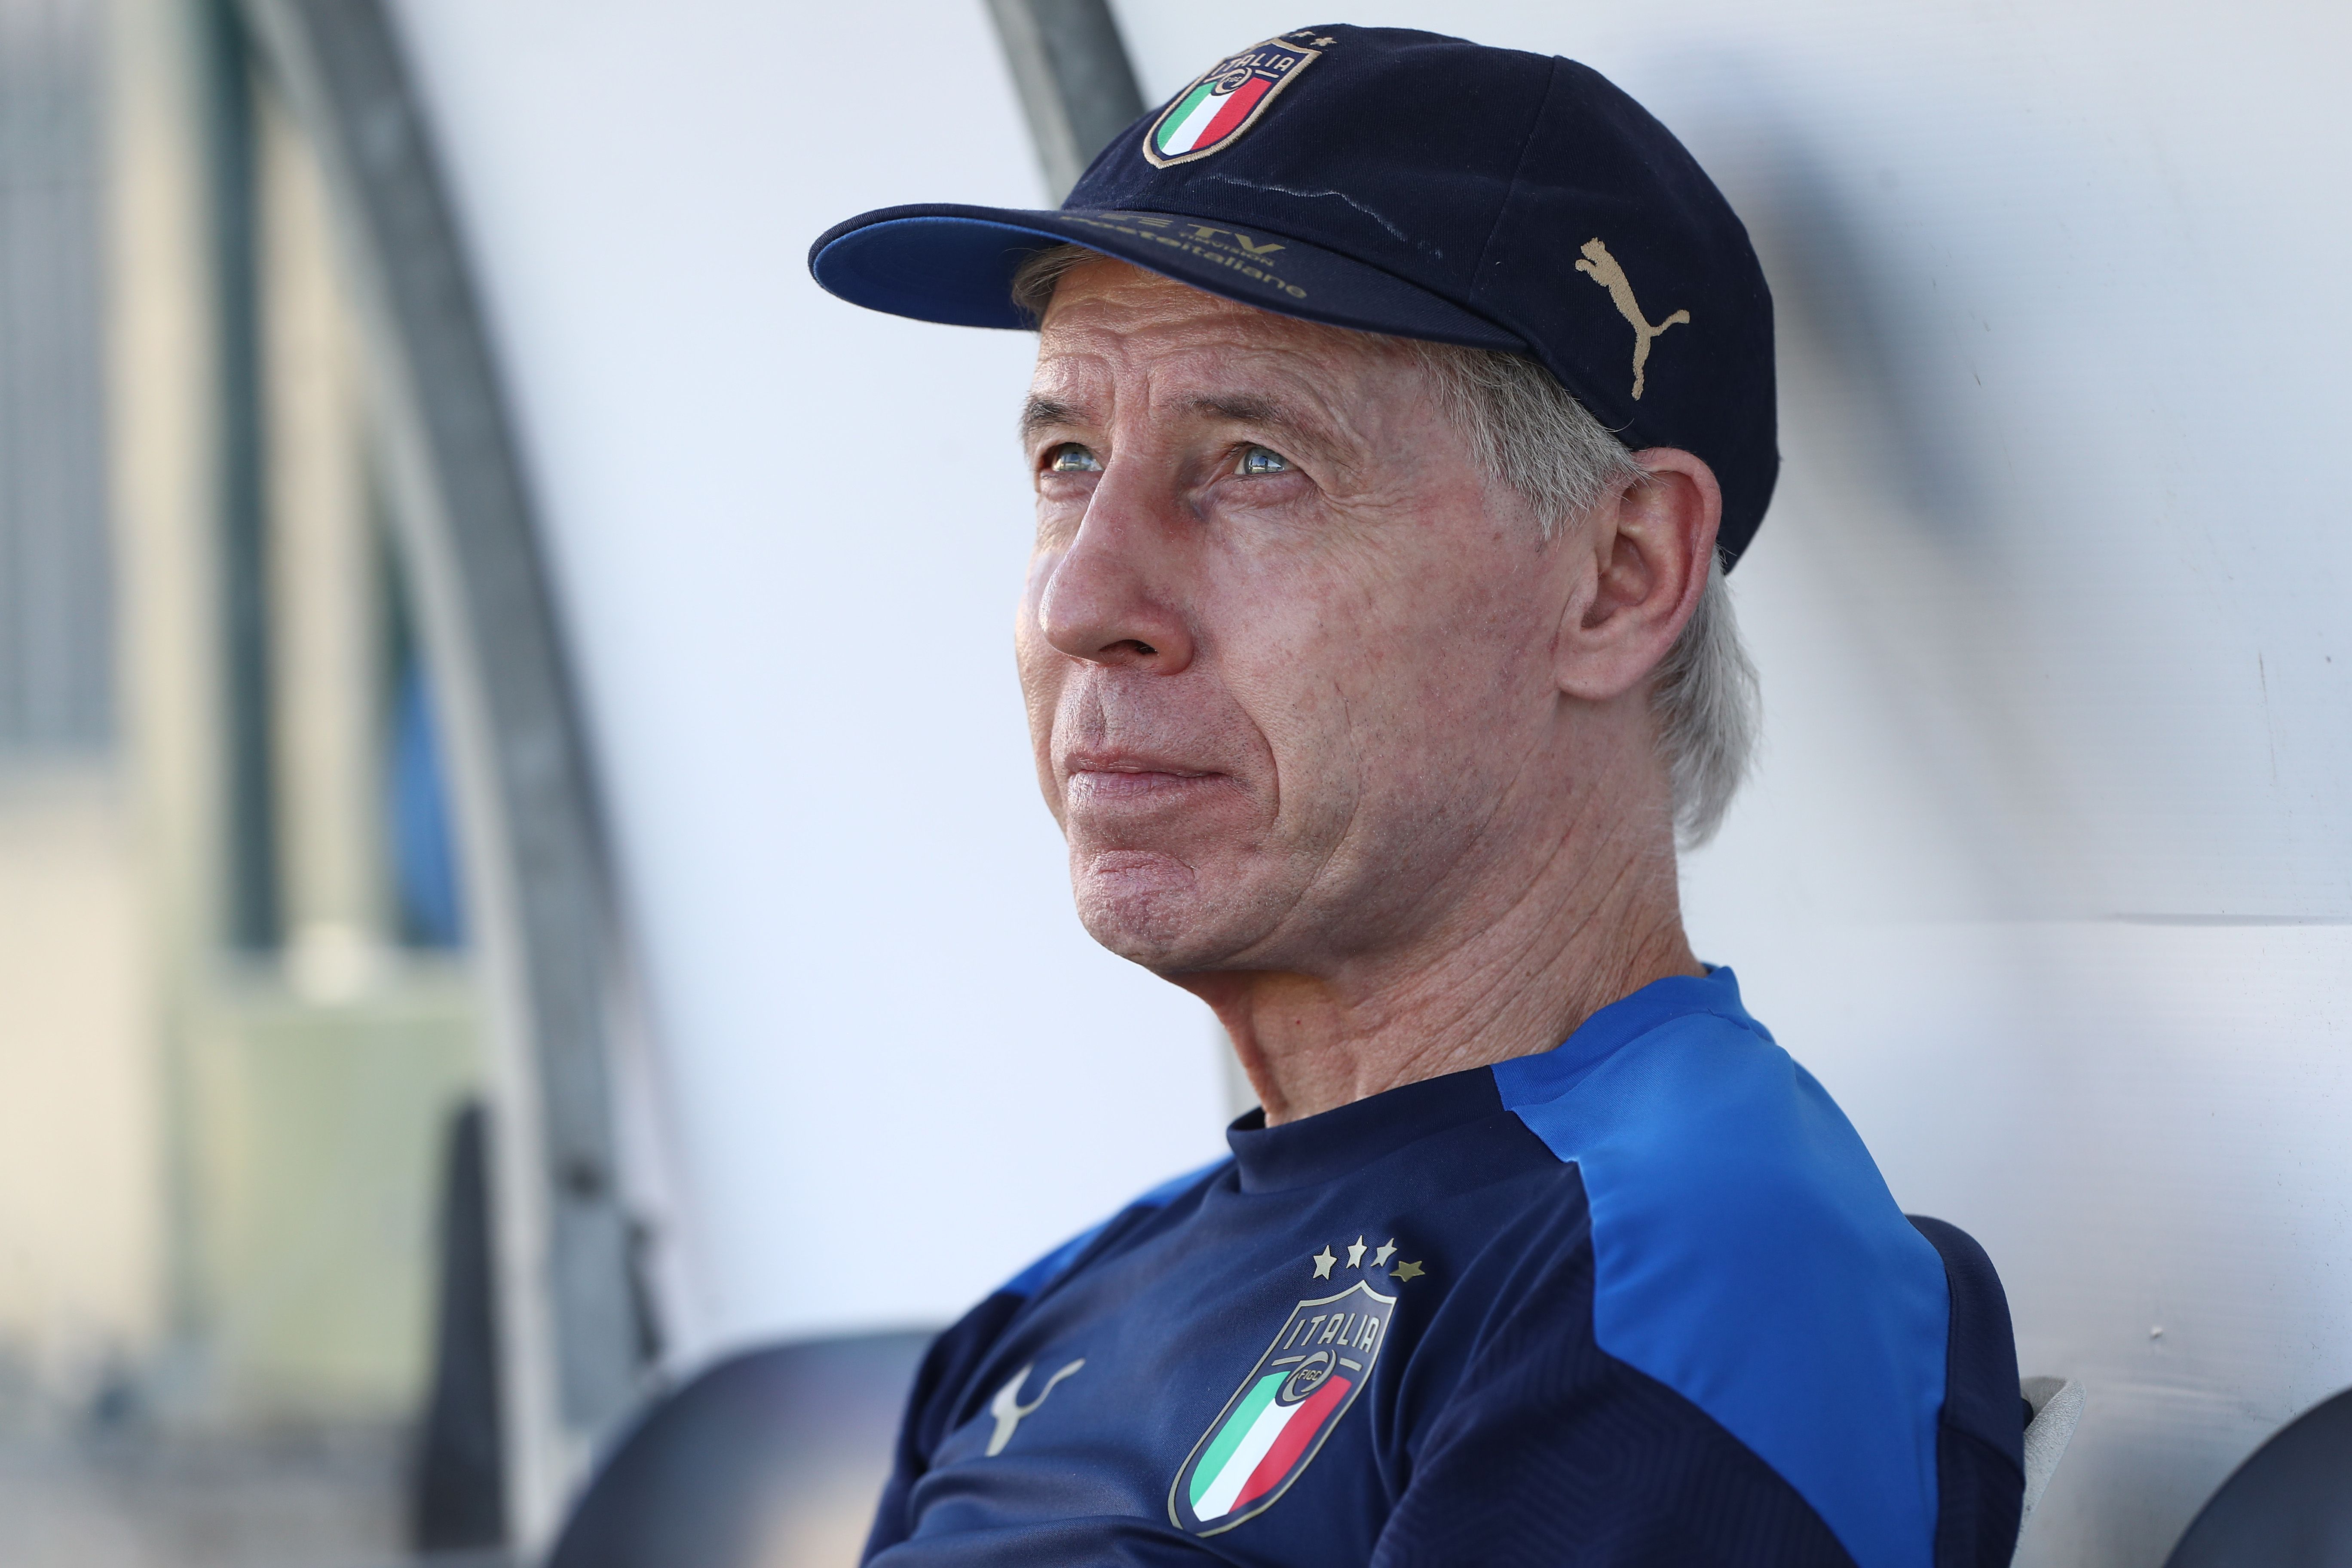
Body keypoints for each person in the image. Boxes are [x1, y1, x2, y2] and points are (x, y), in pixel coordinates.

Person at [809, 23, 2022, 1567]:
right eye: (1067, 461)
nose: (1084, 601)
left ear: (1619, 575)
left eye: (1255, 461)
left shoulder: (1682, 1271)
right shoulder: (1060, 1307)